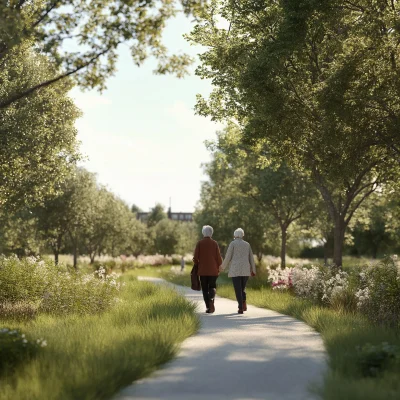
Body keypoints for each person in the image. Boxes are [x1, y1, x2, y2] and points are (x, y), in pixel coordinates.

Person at [220, 228, 256, 314]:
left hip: (235, 270)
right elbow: (251, 258)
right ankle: (243, 304)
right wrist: (253, 270)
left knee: (238, 289)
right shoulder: (247, 244)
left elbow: (228, 256)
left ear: (235, 235)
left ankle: (240, 307)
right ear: (242, 235)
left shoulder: (233, 244)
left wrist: (222, 267)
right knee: (242, 288)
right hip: (245, 269)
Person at [193, 225, 223, 314]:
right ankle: (211, 299)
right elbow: (218, 257)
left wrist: (197, 264)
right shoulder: (215, 243)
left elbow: (195, 258)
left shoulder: (199, 243)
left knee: (205, 289)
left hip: (203, 271)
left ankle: (208, 307)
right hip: (214, 270)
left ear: (203, 233)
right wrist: (220, 267)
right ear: (211, 233)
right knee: (212, 286)